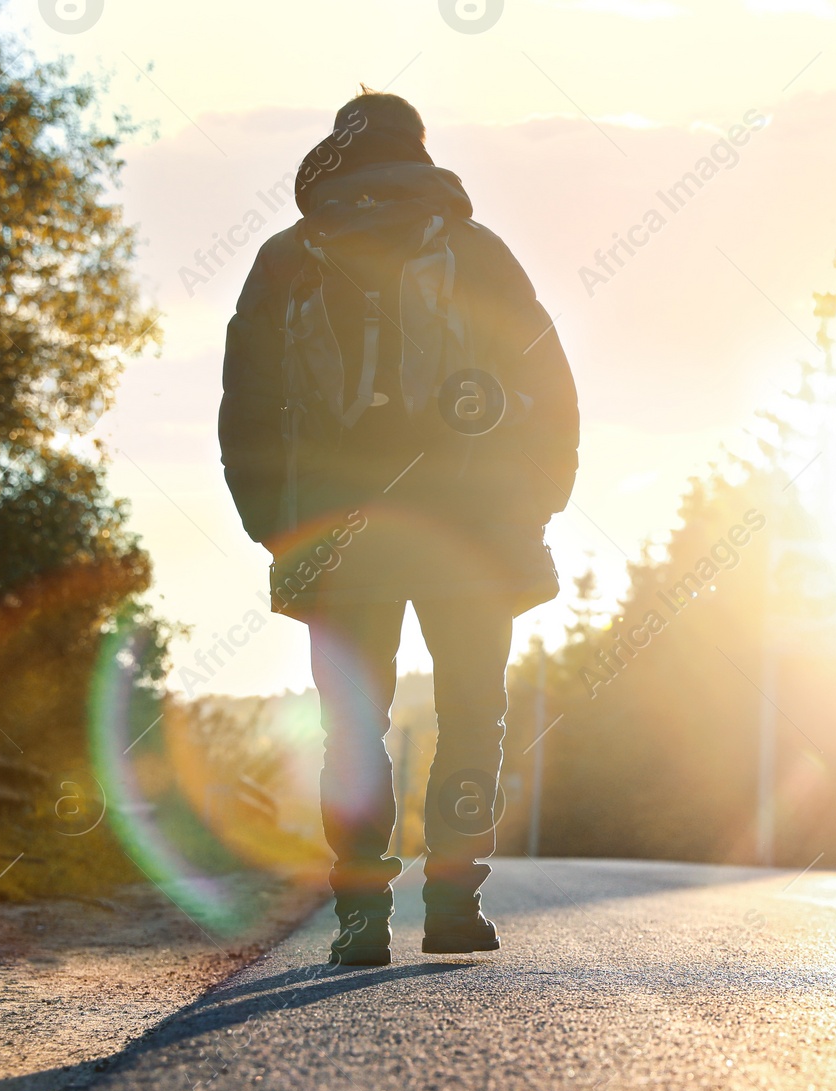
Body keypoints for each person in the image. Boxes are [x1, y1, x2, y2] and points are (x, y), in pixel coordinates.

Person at [218, 89, 579, 963]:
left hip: (339, 531)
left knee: (352, 722)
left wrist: (274, 528)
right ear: (417, 154)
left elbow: (248, 406)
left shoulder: (284, 259)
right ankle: (454, 905)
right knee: (471, 715)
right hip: (473, 528)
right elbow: (548, 385)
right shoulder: (474, 251)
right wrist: (539, 502)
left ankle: (361, 916)